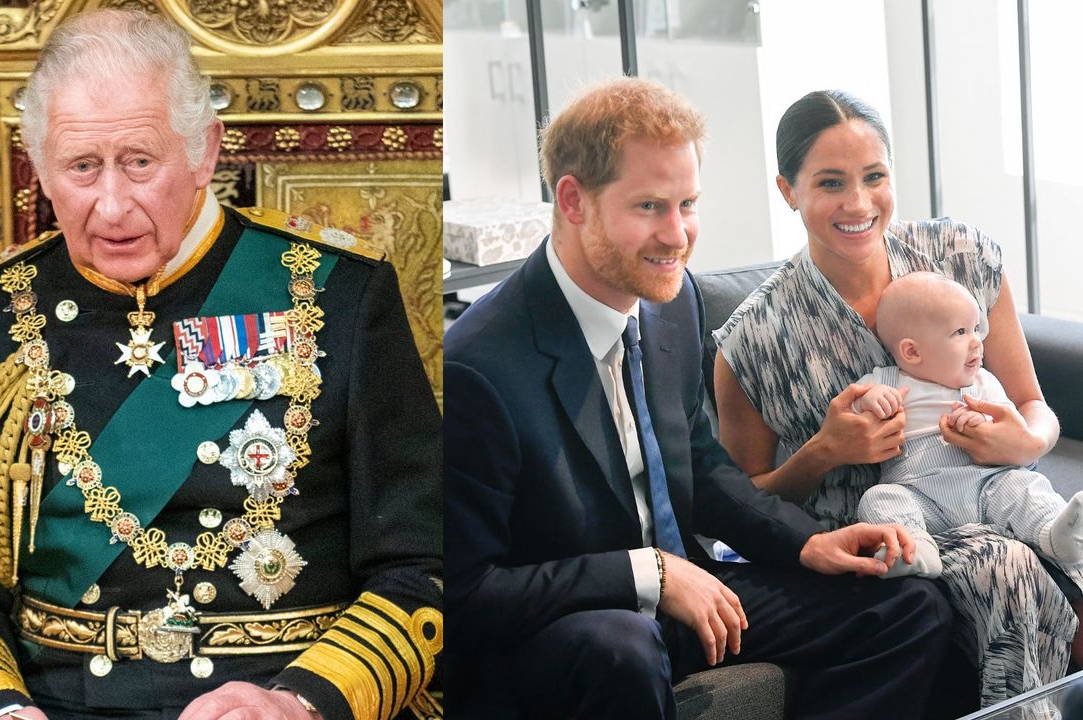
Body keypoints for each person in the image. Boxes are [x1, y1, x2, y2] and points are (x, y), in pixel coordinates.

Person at [0, 10, 441, 720]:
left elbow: (421, 565)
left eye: (140, 162)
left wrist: (305, 701)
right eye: (82, 167)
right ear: (41, 168)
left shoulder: (339, 297)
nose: (112, 204)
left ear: (204, 152)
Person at [444, 77, 953, 720]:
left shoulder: (672, 303)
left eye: (688, 203)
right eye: (651, 207)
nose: (679, 234)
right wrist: (646, 573)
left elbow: (702, 462)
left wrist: (806, 542)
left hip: (686, 590)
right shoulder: (478, 368)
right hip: (574, 629)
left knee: (905, 607)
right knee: (621, 647)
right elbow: (463, 596)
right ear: (573, 200)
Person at [713, 89, 1081, 709]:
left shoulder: (960, 257)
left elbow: (1034, 405)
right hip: (892, 540)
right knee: (1007, 565)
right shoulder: (754, 338)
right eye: (830, 183)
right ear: (787, 190)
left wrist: (1028, 439)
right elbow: (741, 507)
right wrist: (823, 453)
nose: (858, 204)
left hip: (1000, 494)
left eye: (874, 177)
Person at [852, 271, 1083, 577]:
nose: (977, 341)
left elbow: (1007, 424)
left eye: (976, 328)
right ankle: (916, 549)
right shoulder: (886, 381)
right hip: (920, 494)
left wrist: (982, 423)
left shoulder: (983, 382)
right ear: (912, 351)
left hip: (988, 486)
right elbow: (852, 408)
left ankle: (1054, 535)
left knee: (1023, 487)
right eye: (960, 332)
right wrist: (871, 399)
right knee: (879, 499)